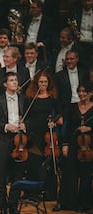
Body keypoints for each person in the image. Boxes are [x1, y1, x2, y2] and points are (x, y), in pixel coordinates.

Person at [0, 72, 29, 214]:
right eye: (11, 80)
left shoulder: (24, 99)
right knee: (3, 176)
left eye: (16, 80)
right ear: (5, 84)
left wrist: (25, 125)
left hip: (20, 140)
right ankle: (3, 208)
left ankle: (14, 207)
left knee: (18, 175)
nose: (14, 82)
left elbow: (30, 119)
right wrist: (6, 126)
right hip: (4, 140)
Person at [54, 82, 93, 212]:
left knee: (86, 174)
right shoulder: (72, 107)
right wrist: (65, 144)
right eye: (80, 91)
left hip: (89, 145)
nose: (82, 94)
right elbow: (67, 127)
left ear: (91, 93)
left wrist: (90, 128)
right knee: (68, 172)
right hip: (73, 142)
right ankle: (65, 202)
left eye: (85, 92)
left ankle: (84, 203)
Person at [25, 71, 63, 201]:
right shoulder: (31, 97)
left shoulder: (52, 97)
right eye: (40, 82)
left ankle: (49, 193)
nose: (43, 84)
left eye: (45, 82)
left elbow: (59, 113)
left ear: (48, 83)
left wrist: (54, 121)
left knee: (48, 163)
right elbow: (26, 115)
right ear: (36, 83)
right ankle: (32, 193)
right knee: (33, 163)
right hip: (33, 133)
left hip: (47, 133)